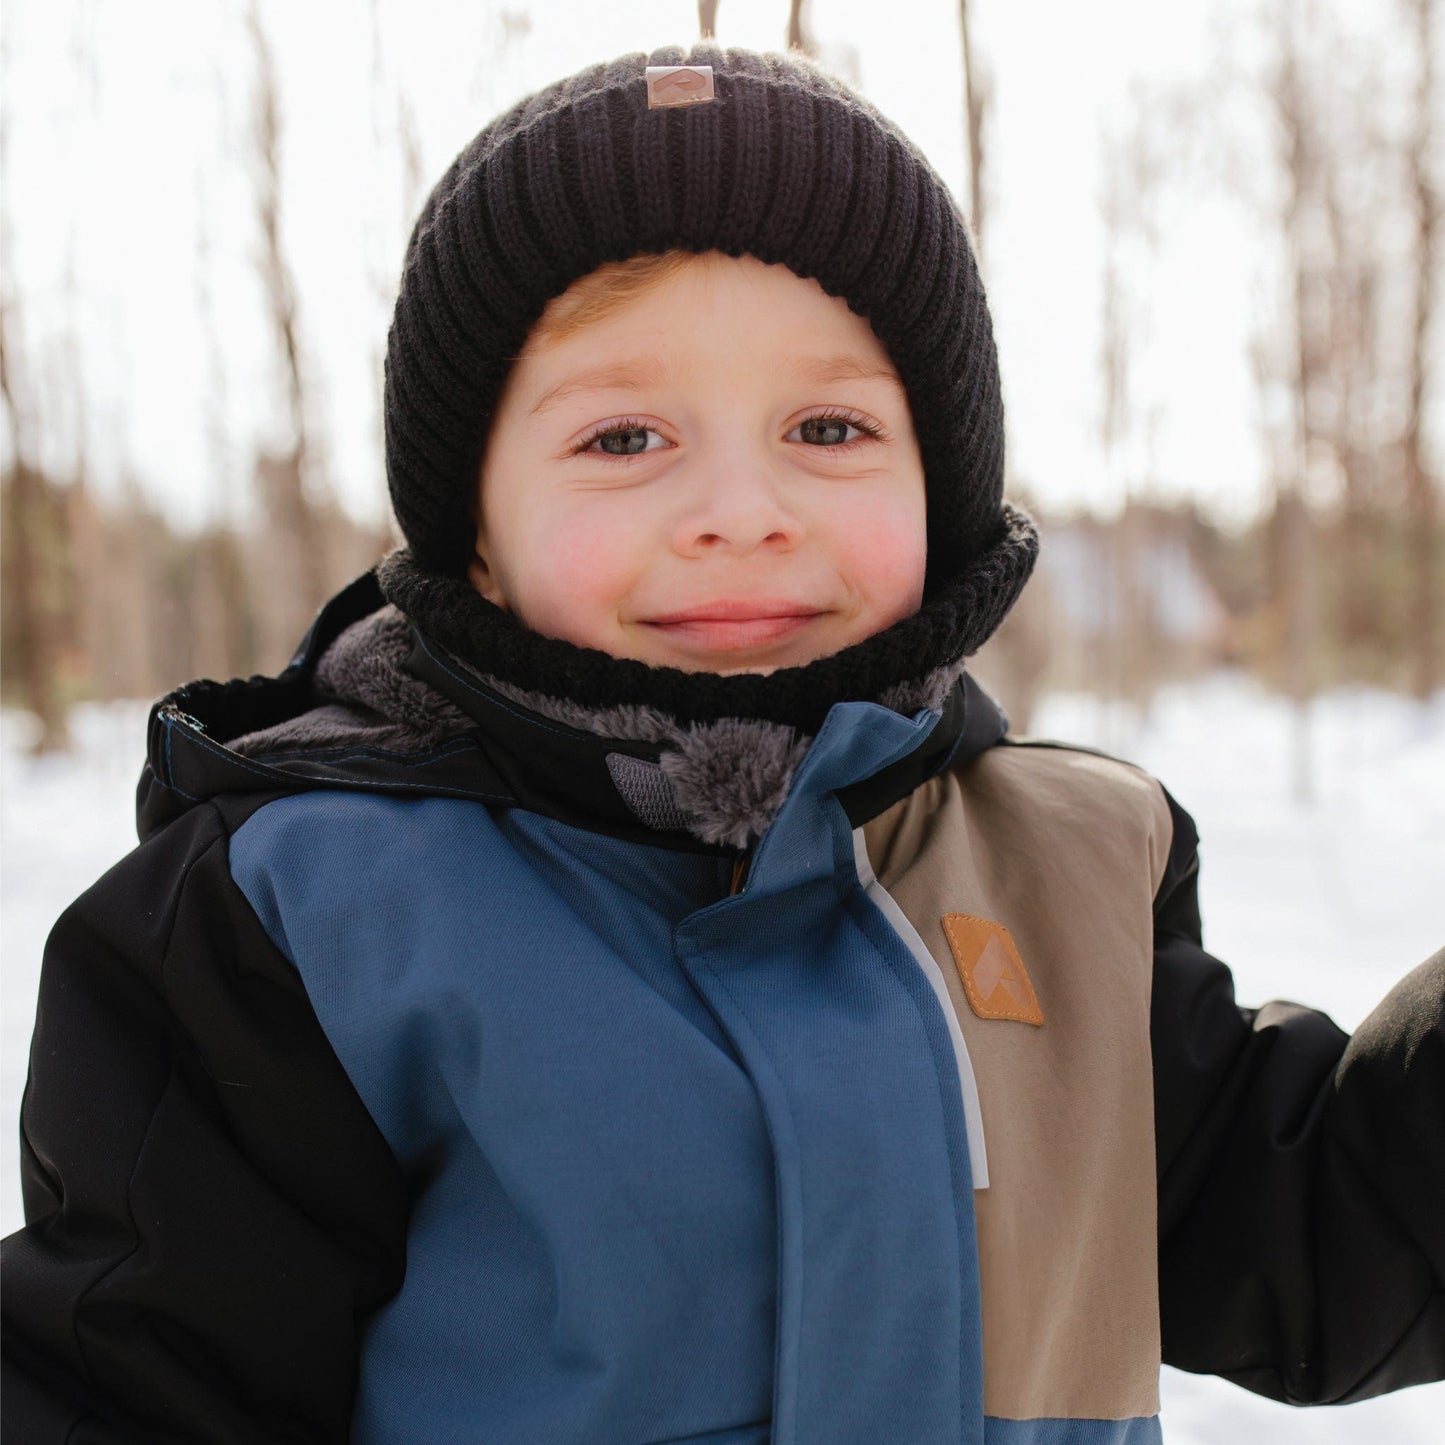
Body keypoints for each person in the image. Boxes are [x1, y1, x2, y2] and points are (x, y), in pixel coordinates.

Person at [2, 43, 1441, 1445]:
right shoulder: (297, 918)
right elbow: (133, 1385)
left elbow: (1318, 1226)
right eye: (625, 438)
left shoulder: (1069, 871)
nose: (741, 506)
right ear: (475, 537)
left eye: (826, 424)